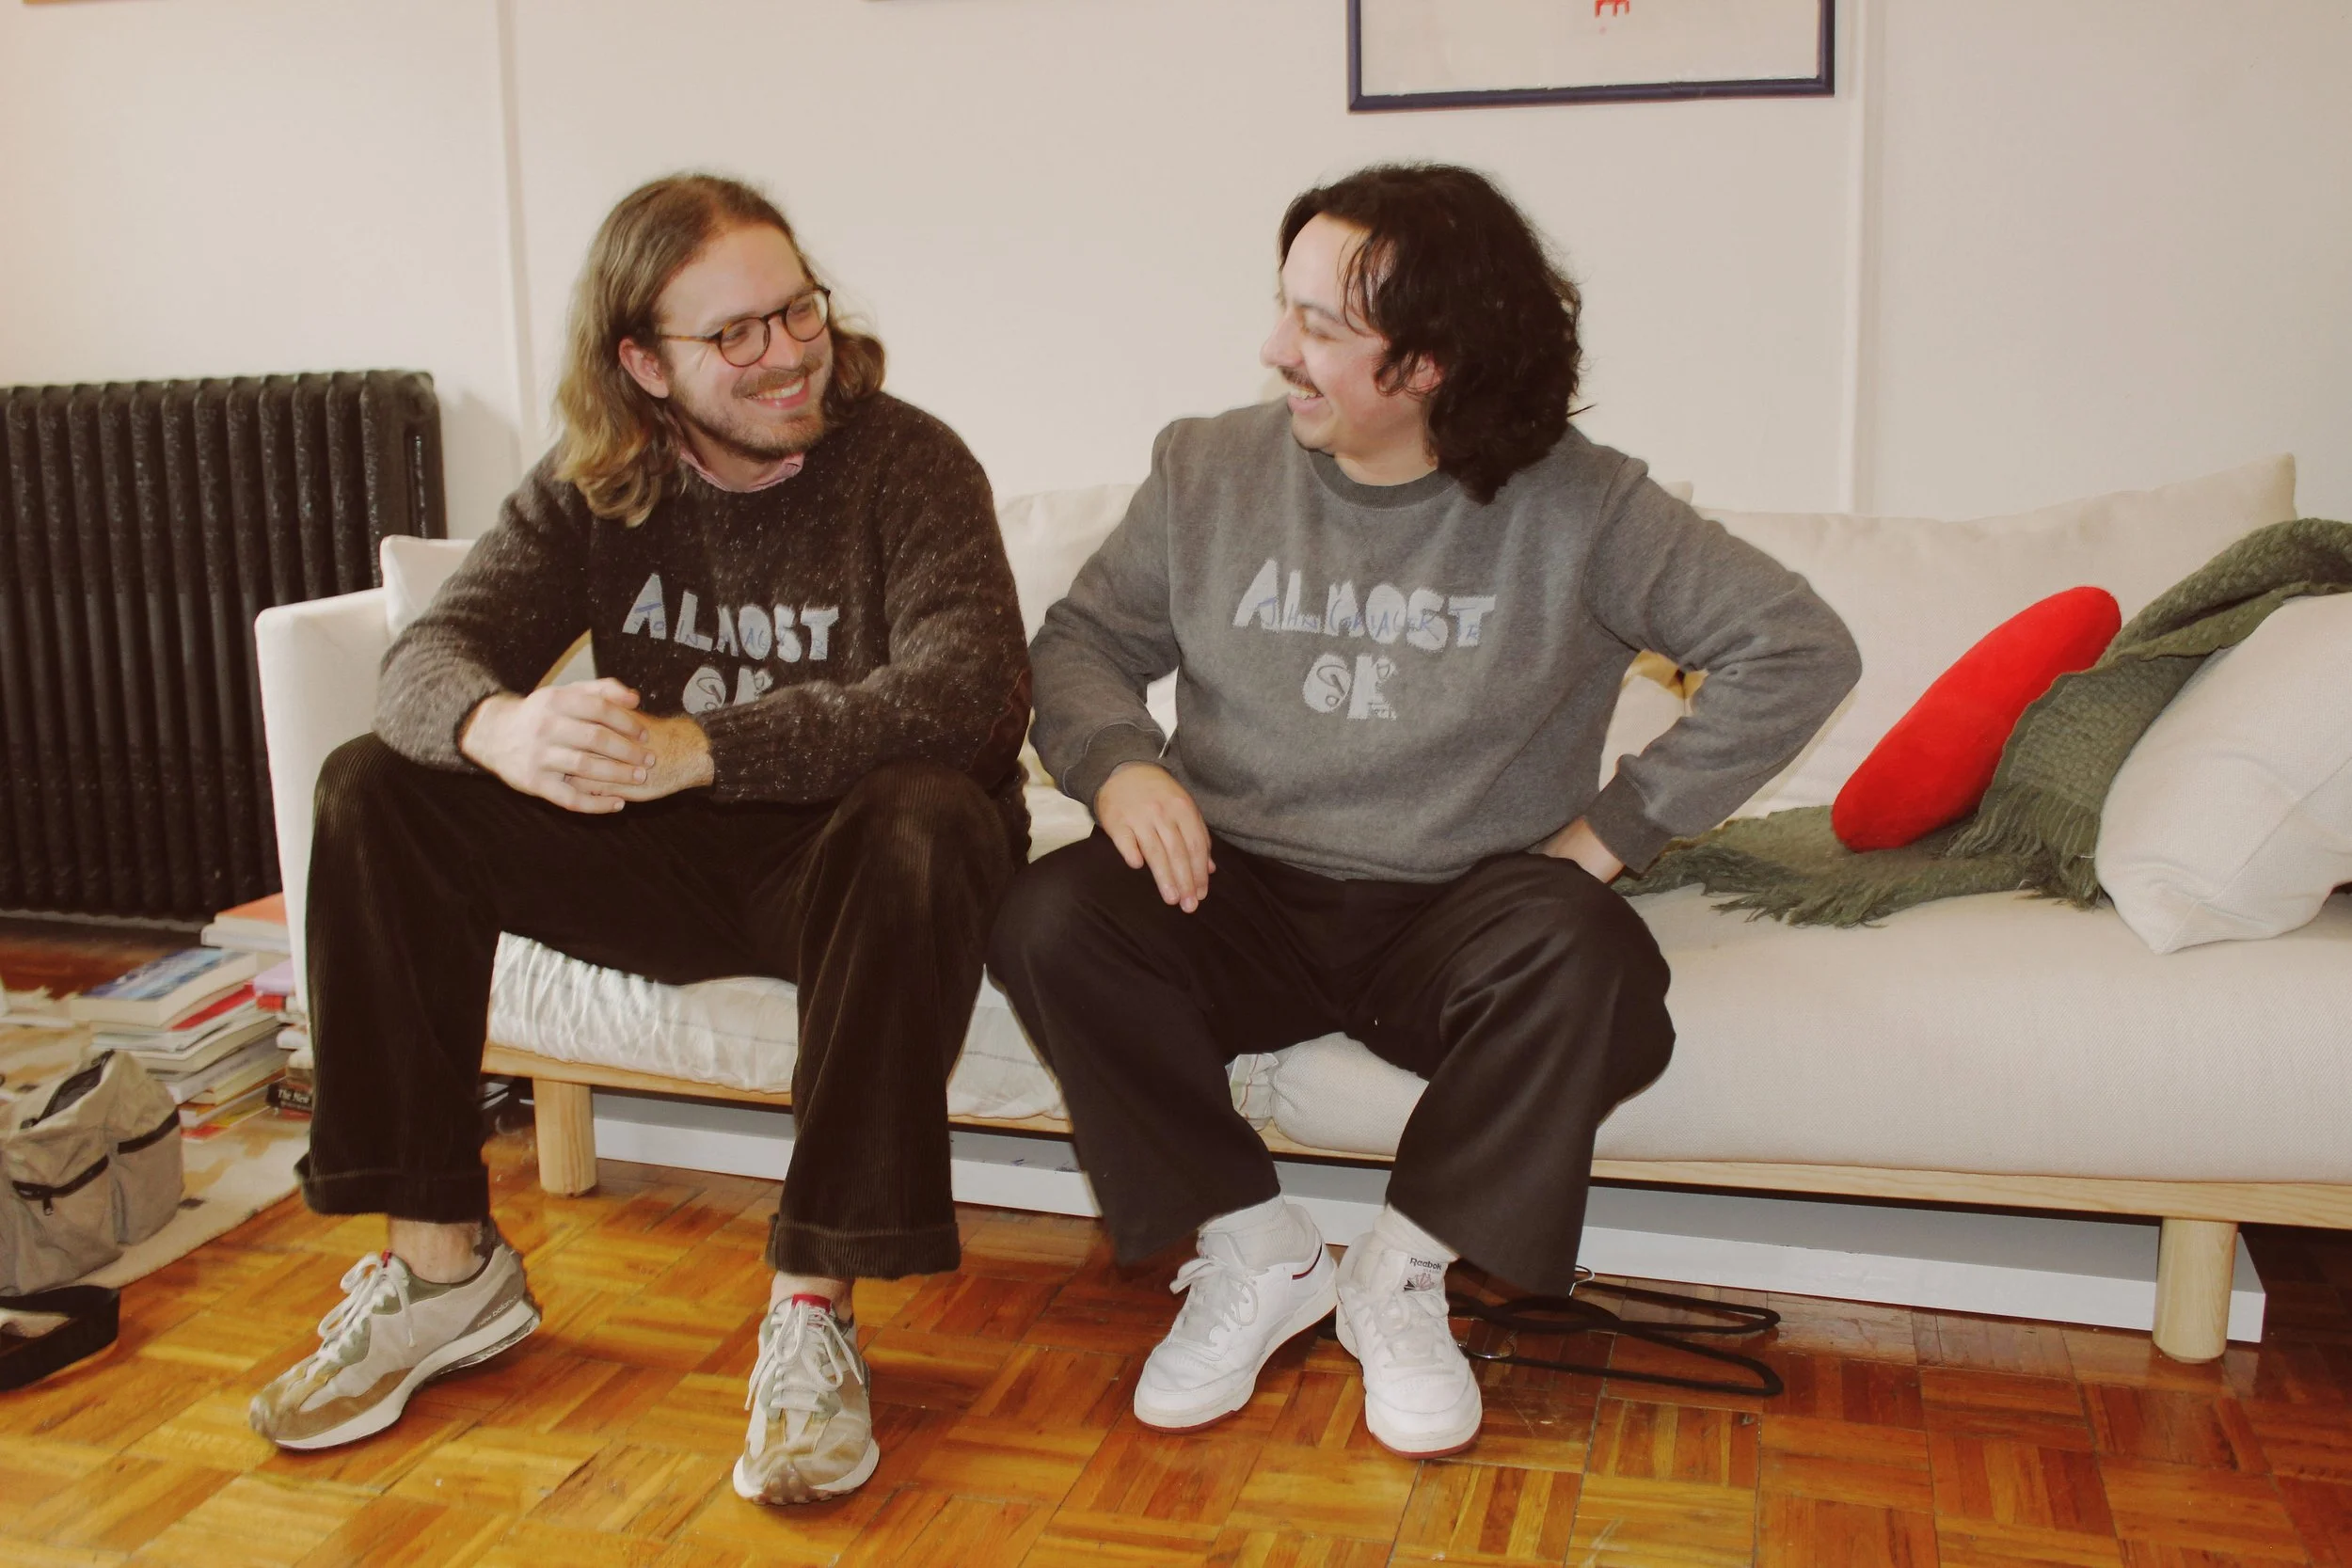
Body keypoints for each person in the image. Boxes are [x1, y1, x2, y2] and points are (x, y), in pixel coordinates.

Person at [989, 164, 1859, 1457]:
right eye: (1284, 308)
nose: (1277, 348)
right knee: (1051, 913)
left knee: (1593, 960)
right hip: (1235, 887)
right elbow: (1077, 643)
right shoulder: (1207, 467)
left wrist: (1614, 830)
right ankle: (1253, 1241)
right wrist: (1122, 761)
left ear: (1433, 362)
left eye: (1324, 329)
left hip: (1459, 907)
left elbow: (1799, 648)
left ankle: (1401, 1269)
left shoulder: (1584, 504)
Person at [248, 173, 1030, 1507]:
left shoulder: (908, 462)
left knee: (930, 815)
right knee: (375, 785)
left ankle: (811, 1309)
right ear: (641, 363)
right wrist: (496, 725)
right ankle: (443, 1271)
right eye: (735, 335)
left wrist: (710, 746)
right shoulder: (599, 483)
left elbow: (970, 695)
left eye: (797, 311)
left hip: (844, 857)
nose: (786, 352)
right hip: (662, 851)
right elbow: (426, 657)